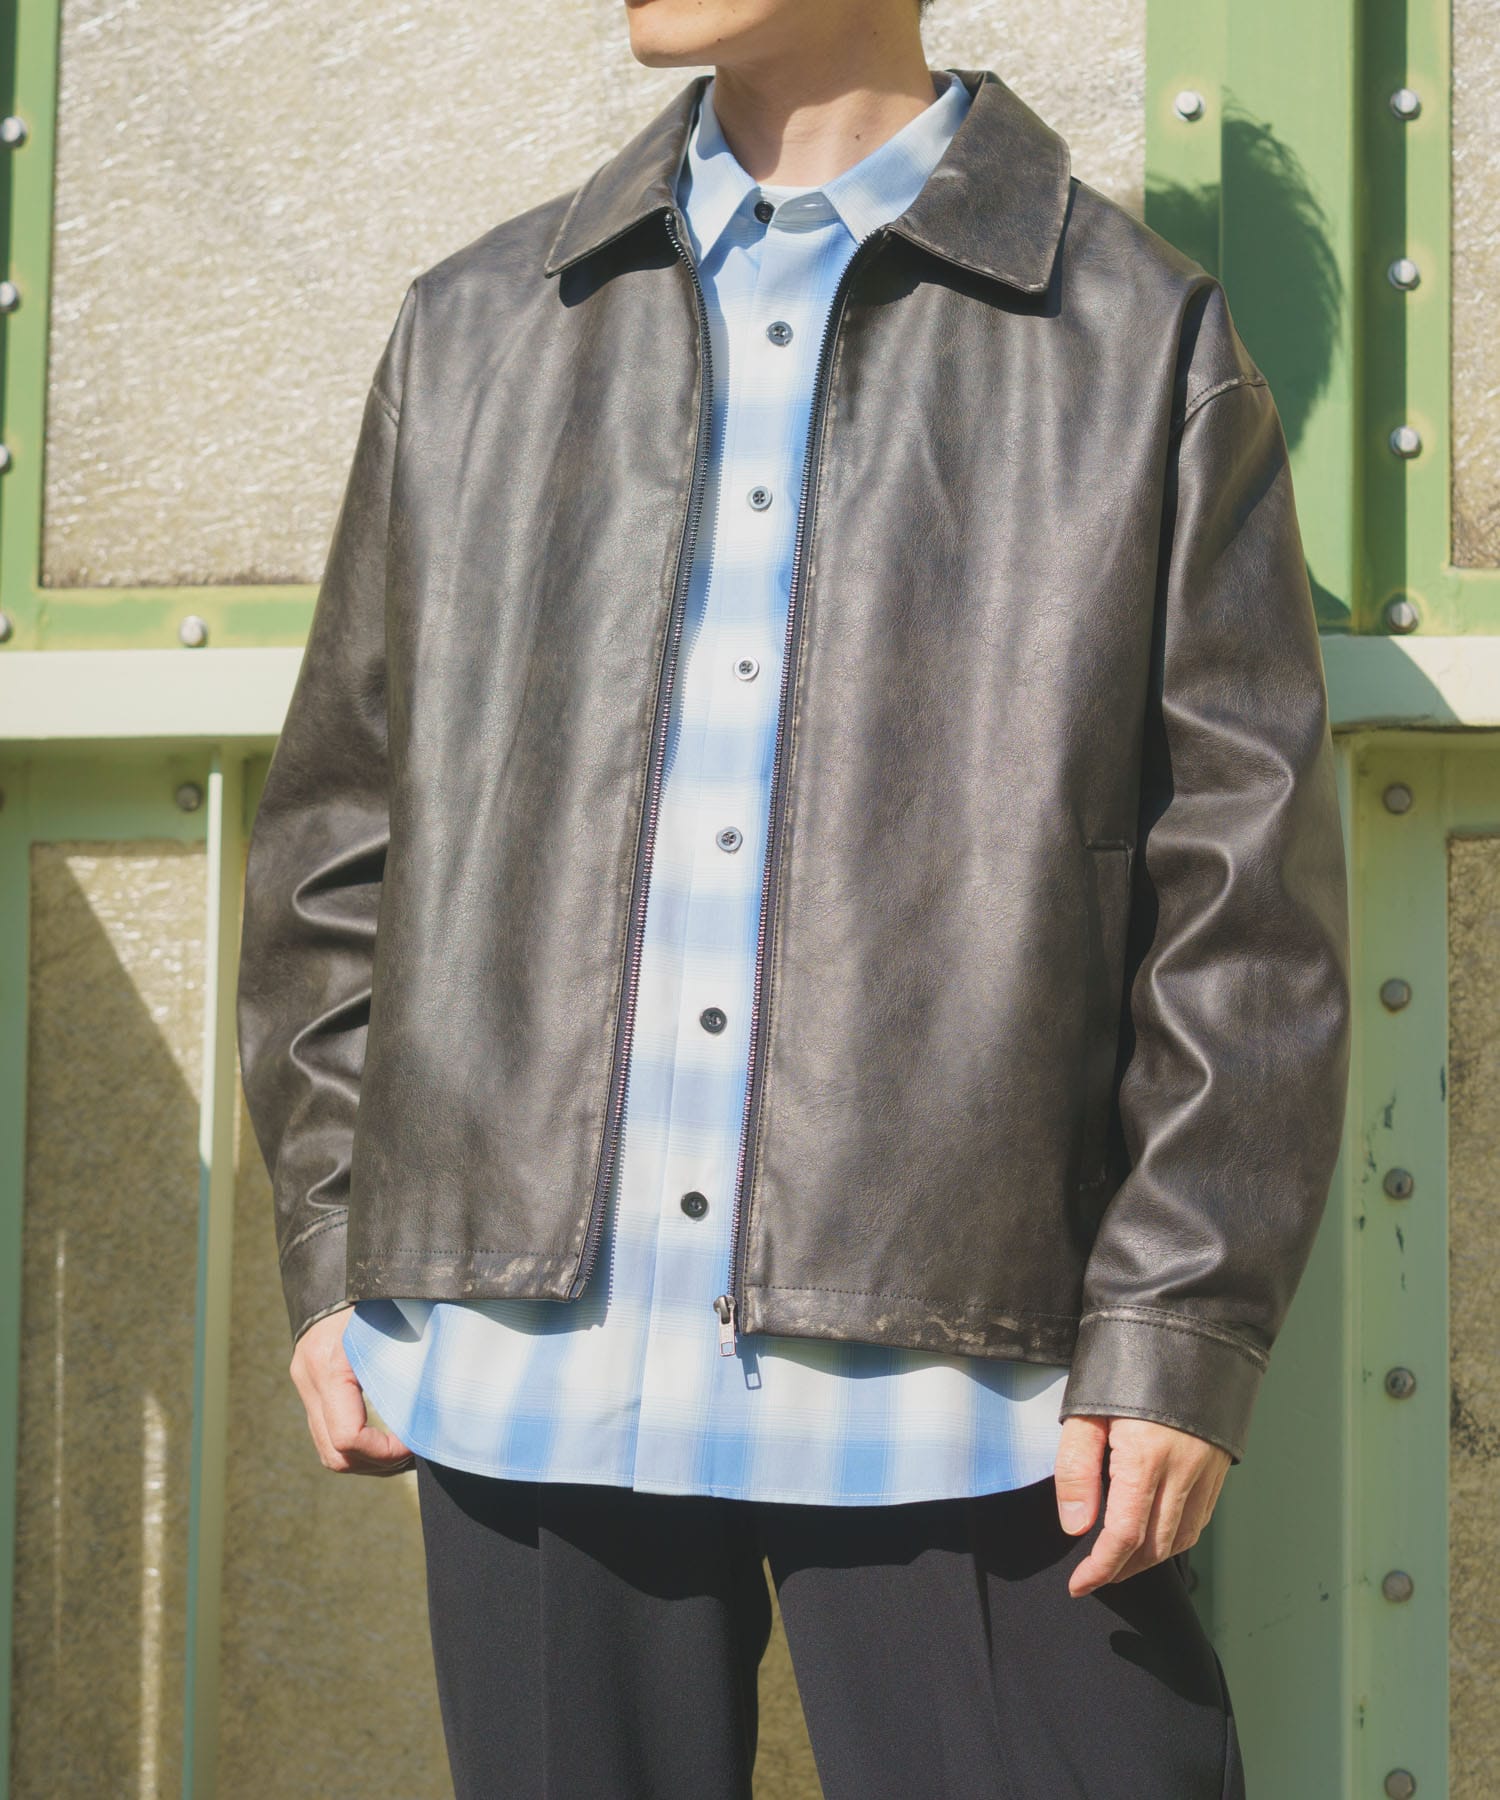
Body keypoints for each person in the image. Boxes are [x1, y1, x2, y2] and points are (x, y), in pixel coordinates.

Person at [235, 0, 1352, 1794]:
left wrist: (1179, 1322)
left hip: (974, 1387)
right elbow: (339, 832)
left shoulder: (1138, 340)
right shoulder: (478, 326)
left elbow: (1245, 894)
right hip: (524, 1369)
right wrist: (333, 1245)